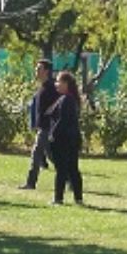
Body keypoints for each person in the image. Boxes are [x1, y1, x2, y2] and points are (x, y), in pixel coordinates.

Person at [45, 70, 84, 205]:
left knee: (61, 170)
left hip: (63, 140)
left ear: (66, 83)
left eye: (58, 81)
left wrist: (52, 134)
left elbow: (62, 120)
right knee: (73, 169)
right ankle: (78, 198)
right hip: (72, 139)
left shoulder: (66, 100)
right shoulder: (70, 99)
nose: (56, 84)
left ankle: (58, 198)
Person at [19, 59, 59, 190]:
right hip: (43, 126)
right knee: (53, 156)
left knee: (36, 154)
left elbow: (60, 103)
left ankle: (31, 183)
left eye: (39, 69)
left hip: (48, 127)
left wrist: (51, 111)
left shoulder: (51, 87)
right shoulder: (42, 87)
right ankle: (70, 178)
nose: (36, 71)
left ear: (46, 71)